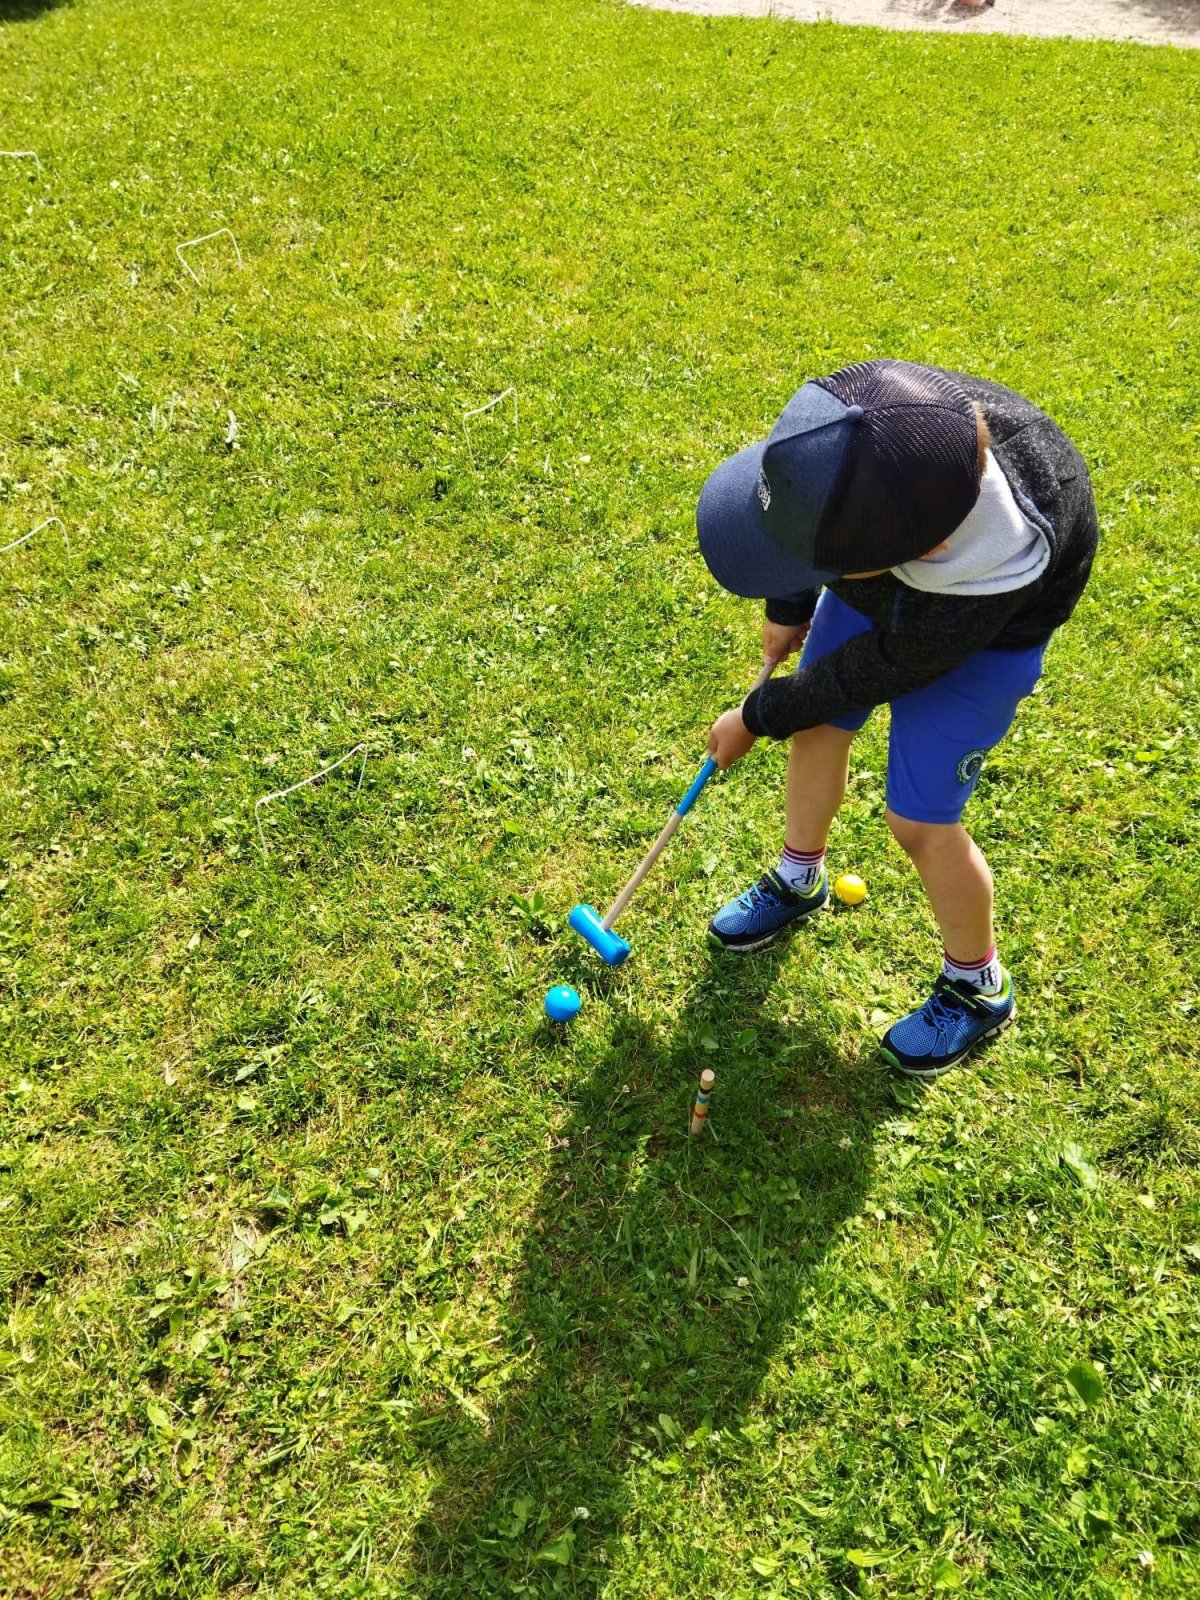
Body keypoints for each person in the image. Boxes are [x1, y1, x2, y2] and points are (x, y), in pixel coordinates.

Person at [697, 359, 1097, 1077]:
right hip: (877, 578)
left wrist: (757, 714)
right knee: (820, 728)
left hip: (984, 638)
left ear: (918, 549)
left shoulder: (996, 563)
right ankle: (798, 877)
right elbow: (803, 514)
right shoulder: (883, 435)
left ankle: (977, 986)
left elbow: (878, 669)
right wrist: (789, 603)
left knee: (920, 820)